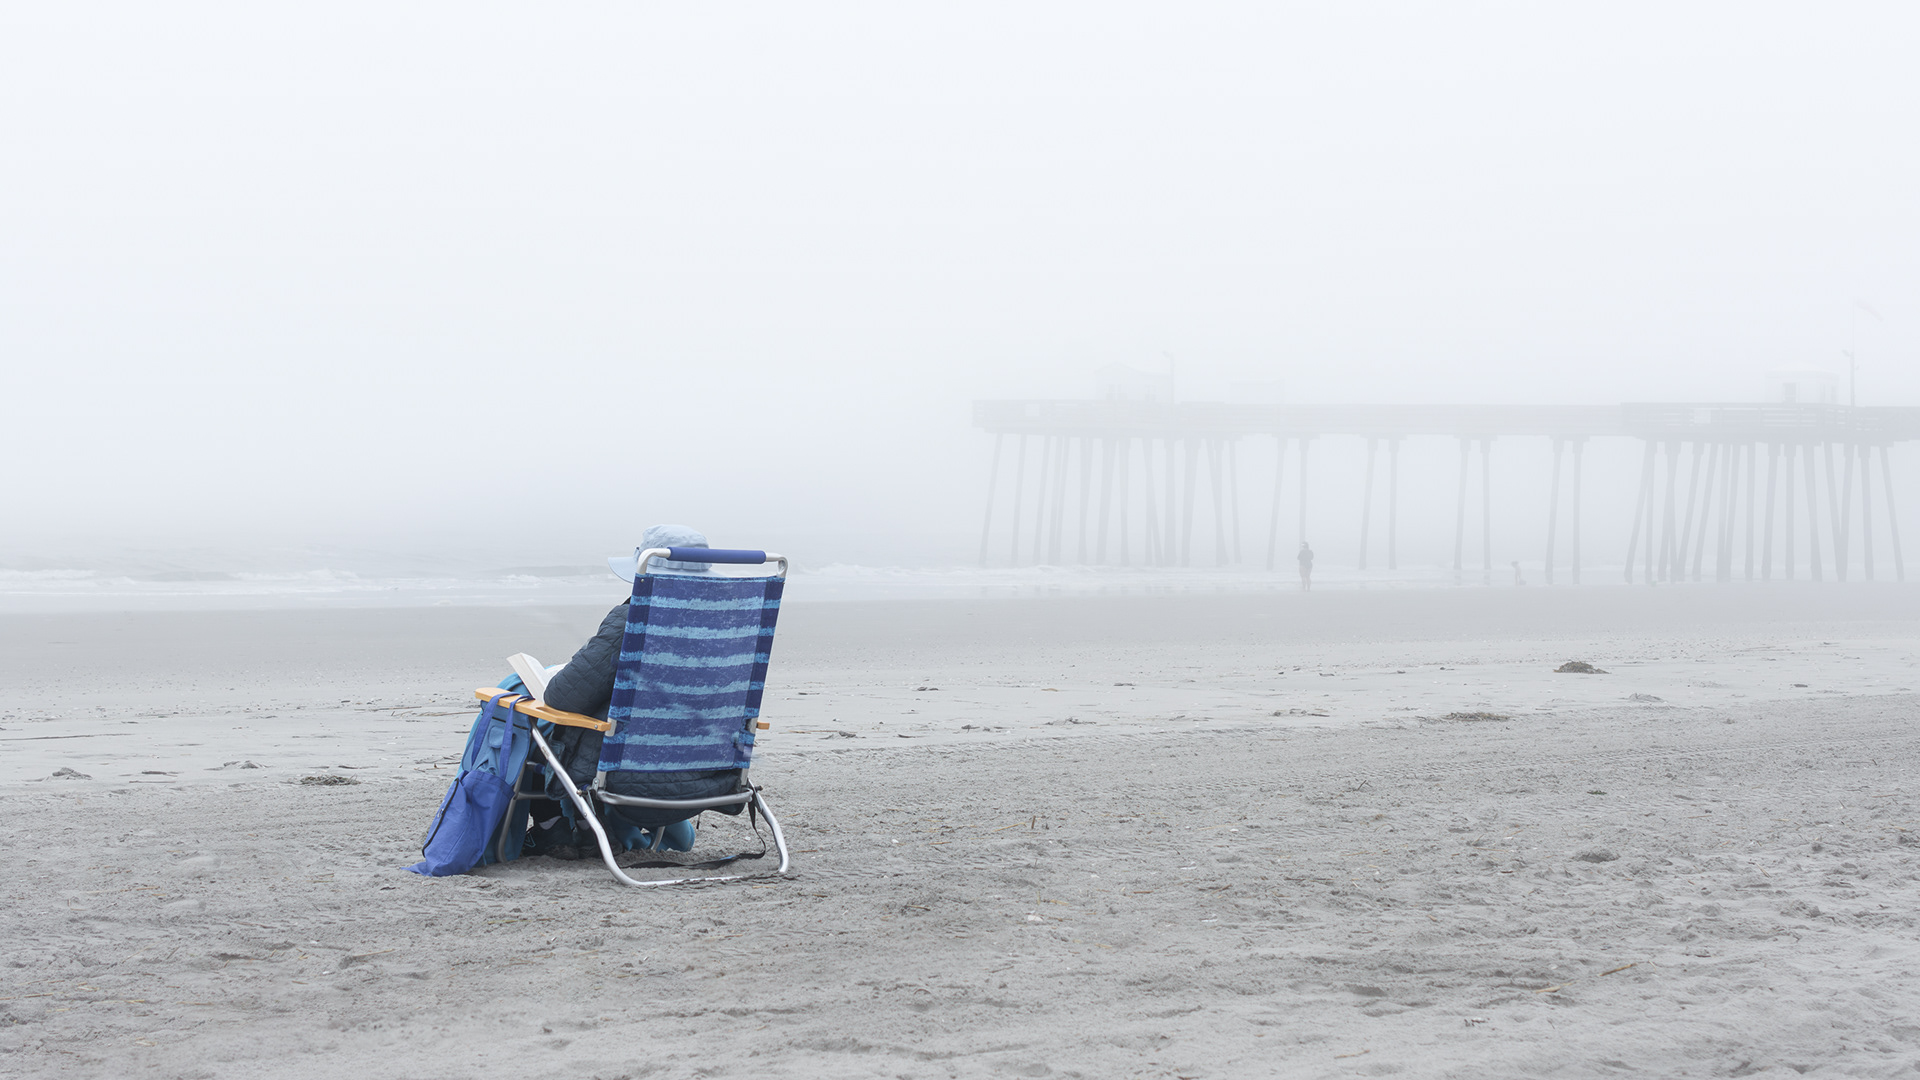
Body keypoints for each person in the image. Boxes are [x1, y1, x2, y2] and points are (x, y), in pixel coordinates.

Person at [523, 523, 750, 859]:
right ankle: (589, 827)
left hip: (630, 781)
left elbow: (562, 697)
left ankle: (553, 827)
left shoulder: (635, 620)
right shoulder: (734, 626)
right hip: (712, 778)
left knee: (532, 724)